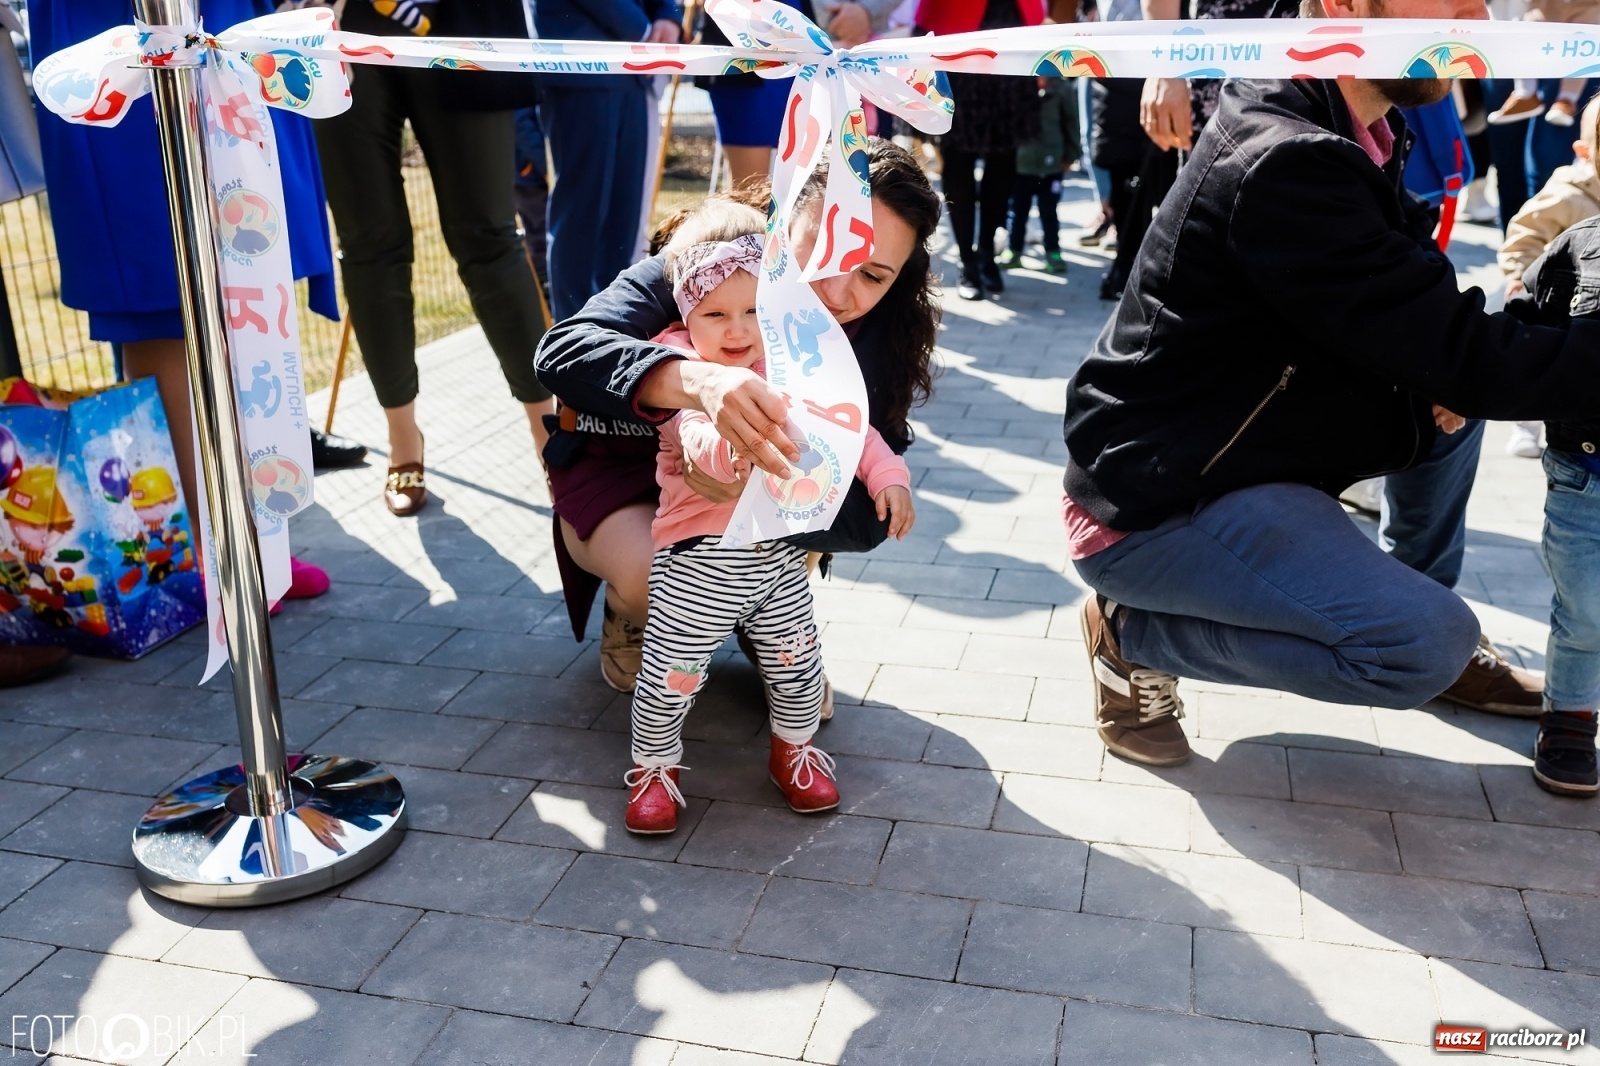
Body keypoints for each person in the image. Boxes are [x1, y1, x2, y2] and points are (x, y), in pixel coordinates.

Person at [1060, 0, 1600, 770]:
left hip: (1246, 445)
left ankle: (1411, 597)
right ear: (1347, 7)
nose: (1477, 15)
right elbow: (1459, 347)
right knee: (1422, 647)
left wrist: (1466, 364)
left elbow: (1429, 312)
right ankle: (1131, 633)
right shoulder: (1287, 156)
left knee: (1457, 397)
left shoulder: (1343, 114)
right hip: (1156, 503)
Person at [534, 139, 940, 695]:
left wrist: (767, 490)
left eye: (873, 276)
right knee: (655, 578)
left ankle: (758, 618)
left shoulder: (879, 336)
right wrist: (698, 383)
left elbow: (869, 507)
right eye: (821, 253)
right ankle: (635, 613)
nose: (837, 292)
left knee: (796, 539)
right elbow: (564, 350)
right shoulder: (712, 259)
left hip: (754, 494)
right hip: (625, 476)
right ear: (780, 223)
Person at [623, 204, 916, 833]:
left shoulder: (788, 357)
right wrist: (733, 448)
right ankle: (654, 767)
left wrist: (888, 475)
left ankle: (795, 750)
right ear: (685, 315)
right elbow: (695, 433)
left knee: (798, 665)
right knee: (671, 676)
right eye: (715, 314)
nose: (738, 331)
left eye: (754, 311)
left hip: (780, 554)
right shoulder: (683, 367)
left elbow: (847, 424)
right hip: (699, 557)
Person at [31, 0, 335, 601]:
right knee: (159, 293)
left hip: (213, 26)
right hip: (121, 37)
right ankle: (205, 549)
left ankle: (249, 538)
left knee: (241, 277)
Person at [316, 0, 554, 518]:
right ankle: (403, 438)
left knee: (488, 238)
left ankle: (548, 435)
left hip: (458, 20)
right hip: (333, 20)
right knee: (367, 244)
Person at [1502, 218, 1600, 797]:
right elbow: (1524, 321)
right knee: (1586, 610)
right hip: (1584, 475)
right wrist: (1462, 389)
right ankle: (1570, 719)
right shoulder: (1581, 244)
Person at [535, 0, 684, 322]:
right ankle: (573, 332)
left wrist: (668, 17)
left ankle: (616, 326)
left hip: (635, 75)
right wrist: (644, 31)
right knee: (582, 215)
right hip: (581, 71)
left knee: (625, 217)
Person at [917, 0, 1047, 300]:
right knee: (958, 163)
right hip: (958, 43)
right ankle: (967, 260)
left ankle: (987, 253)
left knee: (1003, 166)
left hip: (1011, 43)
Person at [698, 0, 900, 188]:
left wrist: (868, 9)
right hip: (745, 39)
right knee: (748, 192)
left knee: (833, 187)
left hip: (834, 42)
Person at [1498, 95, 1600, 458]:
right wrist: (1516, 275)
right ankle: (1525, 428)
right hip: (1556, 297)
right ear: (1582, 151)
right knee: (1538, 357)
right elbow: (1524, 234)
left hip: (1589, 310)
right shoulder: (1566, 193)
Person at [1000, 77, 1077, 275]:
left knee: (1049, 211)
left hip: (1052, 162)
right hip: (1021, 163)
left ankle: (1053, 252)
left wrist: (1071, 154)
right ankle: (1014, 250)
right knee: (1017, 210)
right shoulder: (1018, 84)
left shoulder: (1062, 88)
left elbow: (1072, 122)